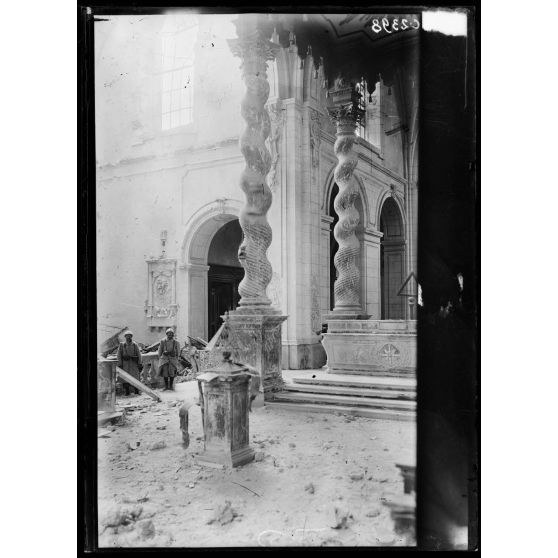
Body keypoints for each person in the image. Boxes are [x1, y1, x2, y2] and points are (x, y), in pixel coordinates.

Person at [116, 330, 143, 396]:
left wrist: (139, 363)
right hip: (125, 364)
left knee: (135, 377)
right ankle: (127, 392)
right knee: (126, 378)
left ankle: (136, 391)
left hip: (133, 364)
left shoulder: (134, 344)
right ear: (125, 337)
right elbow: (119, 355)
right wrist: (120, 364)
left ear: (131, 337)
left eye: (130, 337)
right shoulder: (122, 345)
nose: (128, 338)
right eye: (127, 337)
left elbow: (139, 354)